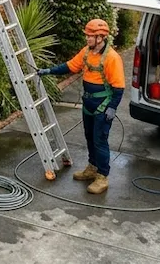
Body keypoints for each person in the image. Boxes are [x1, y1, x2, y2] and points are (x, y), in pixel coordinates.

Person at [38, 18, 125, 195]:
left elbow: (119, 87)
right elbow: (69, 66)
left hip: (103, 106)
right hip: (88, 104)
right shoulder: (86, 53)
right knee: (89, 137)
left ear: (100, 38)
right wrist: (49, 71)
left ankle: (102, 176)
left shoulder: (112, 58)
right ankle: (92, 168)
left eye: (90, 36)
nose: (87, 39)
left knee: (100, 140)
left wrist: (112, 107)